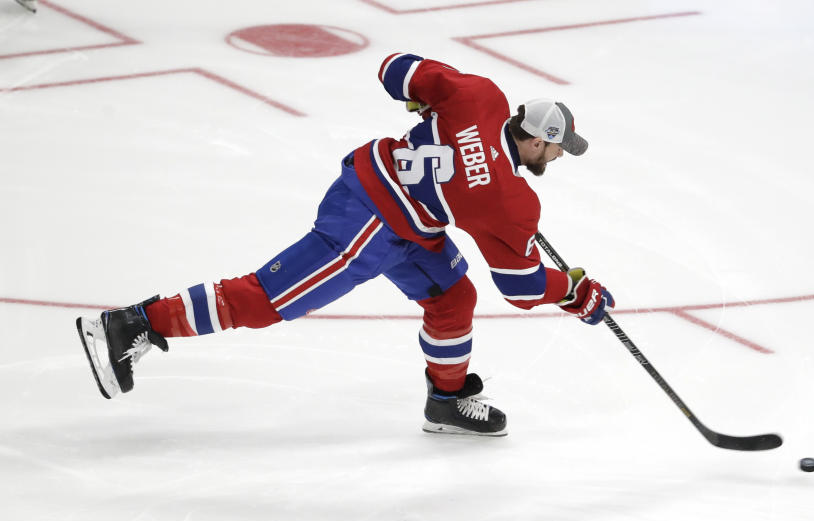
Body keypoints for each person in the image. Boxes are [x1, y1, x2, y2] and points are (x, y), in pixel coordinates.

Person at [76, 52, 615, 437]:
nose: (559, 157)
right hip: (368, 217)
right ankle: (138, 322)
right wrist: (572, 289)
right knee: (269, 299)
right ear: (538, 140)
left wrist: (420, 101)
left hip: (403, 213)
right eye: (559, 148)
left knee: (452, 297)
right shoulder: (511, 203)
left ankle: (446, 401)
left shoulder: (481, 95)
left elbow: (394, 67)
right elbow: (521, 287)